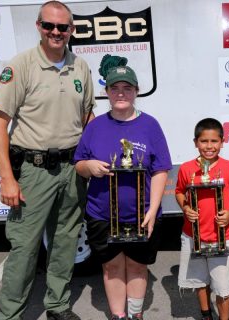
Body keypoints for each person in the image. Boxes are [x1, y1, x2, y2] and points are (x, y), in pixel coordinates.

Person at [0, 1, 95, 319]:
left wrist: (93, 157)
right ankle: (9, 314)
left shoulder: (81, 66)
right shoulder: (21, 65)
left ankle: (57, 305)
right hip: (33, 171)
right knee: (25, 247)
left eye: (63, 27)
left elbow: (88, 115)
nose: (56, 32)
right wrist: (7, 178)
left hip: (72, 169)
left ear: (71, 30)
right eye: (49, 25)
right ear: (38, 26)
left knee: (65, 241)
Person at [74, 55, 172, 320]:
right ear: (106, 92)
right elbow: (79, 165)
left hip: (142, 215)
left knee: (138, 267)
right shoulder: (95, 126)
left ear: (136, 91)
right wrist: (89, 166)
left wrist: (152, 210)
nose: (121, 93)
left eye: (127, 88)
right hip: (103, 215)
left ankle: (135, 314)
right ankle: (119, 316)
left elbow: (161, 169)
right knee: (112, 268)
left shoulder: (150, 125)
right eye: (115, 88)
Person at [175, 118, 229, 320]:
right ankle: (206, 315)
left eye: (214, 141)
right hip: (192, 236)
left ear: (222, 142)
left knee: (223, 287)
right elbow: (179, 192)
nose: (209, 146)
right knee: (200, 281)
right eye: (204, 141)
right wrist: (186, 207)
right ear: (195, 142)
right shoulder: (187, 168)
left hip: (221, 236)